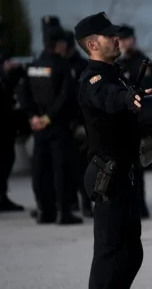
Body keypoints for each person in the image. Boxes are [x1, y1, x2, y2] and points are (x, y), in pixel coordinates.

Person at [74, 11, 152, 289]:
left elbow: (130, 113)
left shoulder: (117, 75)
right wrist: (127, 98)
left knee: (131, 253)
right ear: (92, 45)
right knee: (110, 255)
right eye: (110, 36)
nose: (117, 40)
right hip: (108, 177)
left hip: (126, 174)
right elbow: (110, 100)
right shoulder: (95, 81)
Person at [19, 27, 83, 225]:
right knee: (60, 170)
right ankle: (63, 212)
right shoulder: (62, 67)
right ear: (59, 45)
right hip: (57, 126)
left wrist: (33, 117)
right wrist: (48, 118)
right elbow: (66, 97)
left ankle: (44, 210)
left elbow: (23, 95)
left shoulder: (33, 65)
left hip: (38, 127)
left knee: (40, 169)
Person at [116, 24, 152, 218]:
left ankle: (140, 205)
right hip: (119, 120)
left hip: (136, 119)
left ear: (133, 39)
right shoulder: (118, 63)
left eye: (126, 39)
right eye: (120, 40)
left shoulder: (143, 63)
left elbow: (147, 88)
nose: (123, 43)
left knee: (136, 166)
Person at [0, 19, 25, 217]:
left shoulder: (0, 55)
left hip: (4, 114)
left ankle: (1, 197)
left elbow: (9, 83)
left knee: (6, 157)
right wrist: (3, 72)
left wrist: (15, 70)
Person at [65, 29, 93, 217]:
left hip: (82, 125)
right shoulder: (60, 65)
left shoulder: (83, 66)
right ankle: (70, 202)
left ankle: (85, 204)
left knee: (84, 166)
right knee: (67, 168)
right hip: (64, 125)